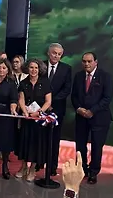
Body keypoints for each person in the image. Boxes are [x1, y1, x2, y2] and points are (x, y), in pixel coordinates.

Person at [71, 52, 113, 184]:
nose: (86, 64)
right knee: (80, 145)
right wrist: (79, 108)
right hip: (81, 116)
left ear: (96, 62)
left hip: (99, 117)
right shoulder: (78, 76)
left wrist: (92, 111)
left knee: (96, 145)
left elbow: (107, 98)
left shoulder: (105, 76)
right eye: (84, 61)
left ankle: (93, 172)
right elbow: (74, 96)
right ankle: (82, 169)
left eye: (89, 61)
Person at [15, 59, 52, 182]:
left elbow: (48, 101)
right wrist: (25, 112)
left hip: (39, 120)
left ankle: (32, 169)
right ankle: (23, 167)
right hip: (27, 118)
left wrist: (39, 112)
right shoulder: (23, 83)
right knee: (24, 142)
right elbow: (21, 99)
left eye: (36, 68)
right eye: (31, 67)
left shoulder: (45, 83)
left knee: (37, 144)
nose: (33, 70)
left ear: (39, 69)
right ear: (27, 68)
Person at [45, 43, 72, 176]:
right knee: (40, 138)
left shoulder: (66, 69)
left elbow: (66, 89)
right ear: (48, 53)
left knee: (54, 139)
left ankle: (52, 167)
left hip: (57, 109)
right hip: (40, 108)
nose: (56, 56)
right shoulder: (40, 65)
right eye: (54, 53)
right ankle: (38, 163)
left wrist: (51, 102)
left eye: (59, 54)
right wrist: (44, 103)